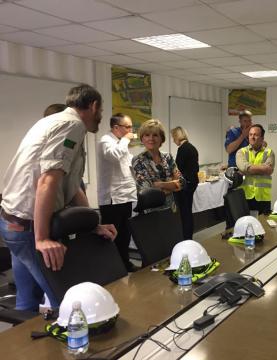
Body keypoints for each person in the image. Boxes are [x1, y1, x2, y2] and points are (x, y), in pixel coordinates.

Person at [0, 84, 117, 311]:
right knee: (69, 303)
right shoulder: (72, 125)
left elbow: (71, 186)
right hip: (26, 226)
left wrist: (93, 224)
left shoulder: (52, 122)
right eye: (101, 111)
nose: (101, 117)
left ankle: (27, 345)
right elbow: (48, 180)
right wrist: (42, 238)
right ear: (93, 106)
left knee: (27, 302)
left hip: (13, 222)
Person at [97, 113, 138, 272]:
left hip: (126, 195)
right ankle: (111, 267)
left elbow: (127, 166)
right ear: (116, 127)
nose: (130, 130)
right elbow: (114, 156)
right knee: (112, 235)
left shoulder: (121, 143)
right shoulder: (105, 141)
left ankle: (124, 263)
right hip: (112, 198)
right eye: (127, 127)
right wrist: (127, 139)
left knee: (125, 234)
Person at [132, 119, 185, 210]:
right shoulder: (138, 160)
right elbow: (148, 191)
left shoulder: (168, 157)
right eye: (147, 135)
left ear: (161, 138)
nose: (151, 138)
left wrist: (159, 184)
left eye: (155, 135)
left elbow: (181, 183)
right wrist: (172, 184)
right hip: (151, 212)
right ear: (142, 138)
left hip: (171, 208)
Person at [236, 124, 275, 215]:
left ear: (262, 137)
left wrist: (248, 168)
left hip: (263, 196)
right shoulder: (241, 152)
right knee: (246, 223)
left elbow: (269, 170)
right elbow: (242, 167)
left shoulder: (269, 152)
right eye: (250, 134)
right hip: (246, 195)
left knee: (264, 225)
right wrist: (262, 167)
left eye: (256, 135)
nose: (252, 137)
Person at [171, 127, 199, 240]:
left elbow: (178, 168)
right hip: (192, 183)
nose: (173, 141)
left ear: (177, 136)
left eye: (173, 138)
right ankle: (188, 236)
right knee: (188, 211)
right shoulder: (192, 147)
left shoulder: (182, 149)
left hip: (185, 185)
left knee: (185, 213)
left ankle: (186, 237)